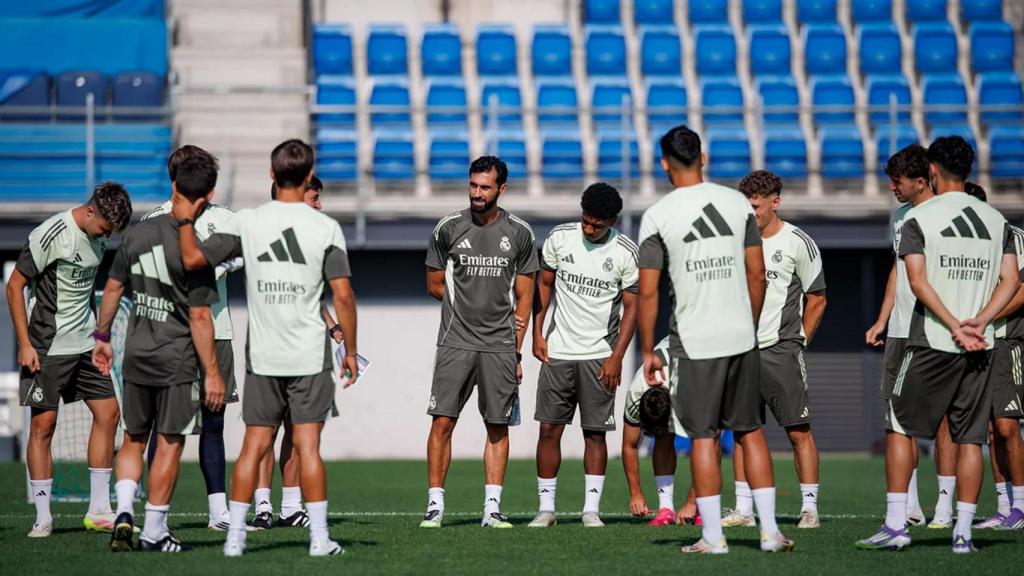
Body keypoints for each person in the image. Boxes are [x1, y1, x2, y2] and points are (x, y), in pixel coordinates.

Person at [175, 139, 358, 557]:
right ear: (310, 177)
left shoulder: (248, 221)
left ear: (272, 176)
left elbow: (192, 260)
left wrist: (186, 219)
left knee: (254, 445)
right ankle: (318, 540)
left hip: (263, 357)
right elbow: (343, 296)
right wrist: (350, 351)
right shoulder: (325, 227)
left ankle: (236, 538)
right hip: (310, 357)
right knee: (308, 447)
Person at [856, 135, 1020, 553]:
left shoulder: (918, 219)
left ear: (931, 171)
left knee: (897, 424)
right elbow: (1012, 282)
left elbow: (917, 282)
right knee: (971, 440)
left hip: (931, 341)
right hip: (981, 344)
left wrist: (953, 325)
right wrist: (979, 322)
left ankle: (896, 524)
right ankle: (963, 533)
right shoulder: (997, 221)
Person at [637, 125, 792, 554]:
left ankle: (713, 537)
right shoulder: (737, 204)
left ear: (664, 163)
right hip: (742, 337)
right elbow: (756, 274)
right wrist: (750, 324)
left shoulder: (658, 215)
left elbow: (647, 291)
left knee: (703, 436)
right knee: (751, 433)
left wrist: (649, 349)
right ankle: (770, 533)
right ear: (702, 158)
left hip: (694, 341)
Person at [95, 157, 225, 553]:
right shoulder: (196, 250)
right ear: (209, 196)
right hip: (176, 360)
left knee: (134, 437)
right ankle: (154, 531)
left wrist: (102, 336)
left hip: (135, 355)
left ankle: (124, 511)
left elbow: (113, 288)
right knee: (168, 441)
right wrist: (214, 373)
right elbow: (201, 317)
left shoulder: (136, 233)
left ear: (172, 185)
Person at [7, 183, 132, 537]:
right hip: (47, 347)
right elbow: (14, 286)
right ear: (90, 211)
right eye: (105, 228)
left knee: (109, 414)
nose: (106, 236)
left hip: (86, 347)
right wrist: (25, 343)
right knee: (43, 428)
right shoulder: (51, 234)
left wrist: (100, 339)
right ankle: (43, 516)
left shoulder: (99, 234)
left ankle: (97, 510)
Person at [421, 156, 538, 529]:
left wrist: (515, 350)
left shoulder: (519, 233)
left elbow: (525, 299)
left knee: (497, 426)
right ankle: (435, 506)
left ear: (501, 189)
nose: (477, 193)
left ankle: (492, 508)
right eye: (473, 185)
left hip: (500, 347)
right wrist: (466, 309)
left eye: (485, 187)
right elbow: (435, 283)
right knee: (442, 421)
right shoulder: (448, 227)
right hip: (455, 342)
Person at [528, 182, 639, 528]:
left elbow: (633, 309)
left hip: (600, 355)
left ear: (612, 222)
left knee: (595, 434)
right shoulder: (560, 238)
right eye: (587, 221)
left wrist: (617, 357)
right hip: (558, 352)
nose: (590, 228)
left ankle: (591, 510)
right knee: (549, 429)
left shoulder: (626, 252)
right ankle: (546, 509)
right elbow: (543, 285)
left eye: (598, 225)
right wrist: (537, 332)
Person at [142, 145, 241, 530]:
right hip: (169, 337)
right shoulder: (154, 220)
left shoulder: (226, 219)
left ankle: (219, 513)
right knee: (164, 428)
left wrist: (214, 265)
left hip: (216, 333)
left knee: (214, 427)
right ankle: (155, 516)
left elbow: (242, 254)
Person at [724, 170, 827, 529]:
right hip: (741, 350)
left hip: (780, 349)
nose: (749, 213)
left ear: (775, 202)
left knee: (798, 431)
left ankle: (809, 508)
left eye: (755, 206)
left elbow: (817, 299)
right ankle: (743, 510)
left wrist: (798, 342)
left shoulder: (799, 242)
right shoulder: (734, 239)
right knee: (741, 431)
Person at [253, 174, 342, 530]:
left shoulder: (315, 238)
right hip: (269, 347)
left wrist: (334, 327)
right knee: (264, 432)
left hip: (306, 349)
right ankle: (261, 508)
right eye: (314, 197)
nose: (319, 205)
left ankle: (290, 508)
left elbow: (311, 296)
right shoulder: (262, 231)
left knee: (296, 430)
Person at [864, 144, 935, 527]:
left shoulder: (942, 215)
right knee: (896, 420)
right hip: (901, 330)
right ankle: (911, 505)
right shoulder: (900, 217)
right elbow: (898, 270)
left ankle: (946, 508)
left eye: (898, 181)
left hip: (936, 331)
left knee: (945, 424)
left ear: (921, 181)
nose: (892, 187)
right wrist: (882, 319)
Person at [975, 215, 1024, 531]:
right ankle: (1004, 507)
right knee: (991, 430)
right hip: (977, 345)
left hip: (1007, 342)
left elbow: (1020, 291)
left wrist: (983, 318)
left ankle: (1020, 506)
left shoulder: (1012, 235)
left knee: (1007, 427)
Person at [621, 335, 700, 526]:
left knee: (703, 441)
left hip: (705, 356)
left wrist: (692, 502)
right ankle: (667, 509)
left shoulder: (693, 386)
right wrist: (635, 493)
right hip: (677, 365)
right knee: (663, 438)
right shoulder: (637, 391)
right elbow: (629, 446)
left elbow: (712, 441)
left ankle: (702, 504)